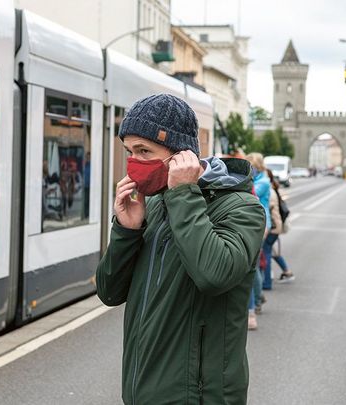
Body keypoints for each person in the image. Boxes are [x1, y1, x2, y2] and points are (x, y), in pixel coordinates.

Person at [96, 94, 265, 404]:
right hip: (141, 392)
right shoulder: (156, 204)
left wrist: (184, 194)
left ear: (182, 156)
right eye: (130, 152)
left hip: (198, 397)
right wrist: (126, 230)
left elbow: (214, 274)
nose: (134, 163)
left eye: (144, 151)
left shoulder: (242, 209)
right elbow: (109, 292)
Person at [245, 153, 271, 329]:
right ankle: (259, 295)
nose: (249, 169)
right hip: (253, 223)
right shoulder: (259, 179)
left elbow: (250, 191)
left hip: (260, 226)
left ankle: (253, 306)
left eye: (251, 165)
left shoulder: (263, 182)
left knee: (251, 268)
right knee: (253, 266)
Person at [266, 169, 294, 283]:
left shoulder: (270, 191)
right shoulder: (272, 189)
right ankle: (286, 272)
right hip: (275, 226)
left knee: (266, 251)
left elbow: (268, 208)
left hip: (272, 227)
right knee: (271, 251)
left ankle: (267, 280)